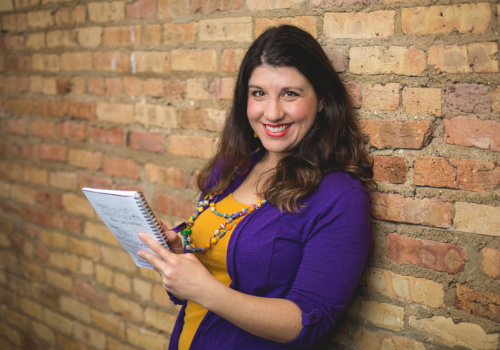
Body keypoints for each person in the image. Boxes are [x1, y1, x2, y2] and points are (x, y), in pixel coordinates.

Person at [137, 25, 374, 349]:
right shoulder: (234, 166)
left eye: (290, 93)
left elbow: (305, 323)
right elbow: (198, 281)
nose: (272, 113)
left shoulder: (339, 197)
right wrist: (179, 249)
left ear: (321, 100)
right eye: (259, 93)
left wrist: (206, 290)